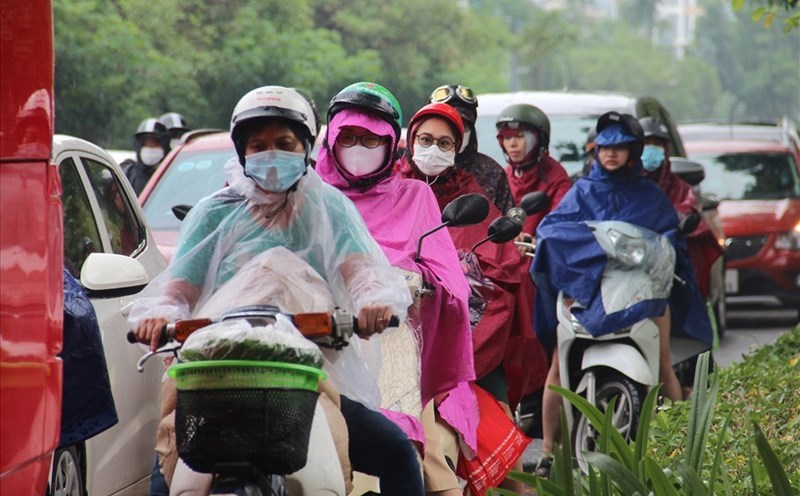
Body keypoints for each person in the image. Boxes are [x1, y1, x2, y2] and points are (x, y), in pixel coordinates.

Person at [129, 85, 423, 496]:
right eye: (259, 144)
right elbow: (176, 290)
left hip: (305, 372)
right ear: (241, 152)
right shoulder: (212, 213)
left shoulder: (329, 208)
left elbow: (362, 273)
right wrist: (160, 314)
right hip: (215, 373)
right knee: (169, 474)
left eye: (283, 143)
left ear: (305, 147)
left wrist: (374, 301)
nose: (271, 153)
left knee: (397, 451)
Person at [530, 111, 713, 478]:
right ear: (595, 151)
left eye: (620, 148)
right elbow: (551, 232)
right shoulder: (581, 190)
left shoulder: (651, 195)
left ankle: (678, 445)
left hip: (641, 295)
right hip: (584, 296)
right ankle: (549, 450)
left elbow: (668, 246)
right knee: (555, 368)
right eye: (604, 148)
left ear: (633, 152)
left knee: (662, 365)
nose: (610, 154)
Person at [316, 82, 478, 496]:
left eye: (371, 139)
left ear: (392, 145)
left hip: (392, 341)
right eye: (349, 137)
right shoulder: (309, 195)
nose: (358, 147)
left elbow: (450, 280)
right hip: (313, 339)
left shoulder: (415, 195)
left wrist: (417, 282)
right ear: (330, 138)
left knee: (422, 453)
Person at [399, 102, 528, 493]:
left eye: (444, 143)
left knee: (498, 431)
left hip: (469, 338)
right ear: (409, 141)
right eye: (425, 140)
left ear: (458, 149)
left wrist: (467, 342)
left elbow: (498, 278)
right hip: (393, 338)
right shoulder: (390, 190)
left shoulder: (473, 197)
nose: (433, 150)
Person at [638, 117, 724, 310]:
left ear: (666, 150)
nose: (651, 149)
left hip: (668, 264)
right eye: (646, 144)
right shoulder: (624, 183)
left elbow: (688, 208)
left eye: (657, 144)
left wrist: (680, 221)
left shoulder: (679, 187)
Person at [429, 84, 515, 213]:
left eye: (463, 126)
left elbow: (505, 225)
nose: (455, 134)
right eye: (449, 126)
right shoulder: (410, 172)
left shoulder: (491, 172)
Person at [121, 117, 170, 195]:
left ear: (165, 146)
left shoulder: (172, 174)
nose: (150, 149)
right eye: (146, 144)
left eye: (155, 144)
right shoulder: (128, 173)